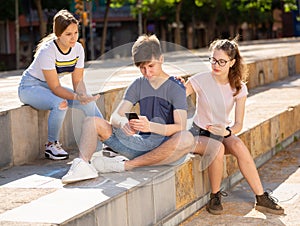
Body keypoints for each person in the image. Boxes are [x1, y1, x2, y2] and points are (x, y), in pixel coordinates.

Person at [61, 34, 194, 183]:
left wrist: (150, 126)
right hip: (139, 144)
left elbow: (180, 126)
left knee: (186, 138)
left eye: (151, 66)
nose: (147, 72)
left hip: (166, 149)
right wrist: (123, 122)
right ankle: (82, 165)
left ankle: (126, 165)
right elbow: (115, 116)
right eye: (142, 68)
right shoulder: (138, 84)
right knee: (91, 122)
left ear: (161, 59)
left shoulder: (176, 87)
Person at [185, 37, 284, 215]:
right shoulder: (200, 80)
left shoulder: (239, 88)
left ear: (232, 62)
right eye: (213, 60)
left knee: (238, 145)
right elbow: (177, 96)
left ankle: (261, 197)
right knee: (217, 149)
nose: (216, 65)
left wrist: (226, 131)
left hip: (222, 132)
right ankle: (215, 196)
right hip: (199, 133)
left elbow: (238, 124)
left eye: (222, 61)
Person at [18, 9, 102, 160]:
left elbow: (78, 81)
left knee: (89, 104)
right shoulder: (48, 51)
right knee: (60, 103)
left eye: (75, 33)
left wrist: (82, 96)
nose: (73, 38)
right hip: (30, 87)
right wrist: (76, 97)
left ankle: (109, 140)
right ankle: (52, 145)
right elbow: (55, 88)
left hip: (49, 87)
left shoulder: (78, 49)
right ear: (58, 34)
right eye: (68, 34)